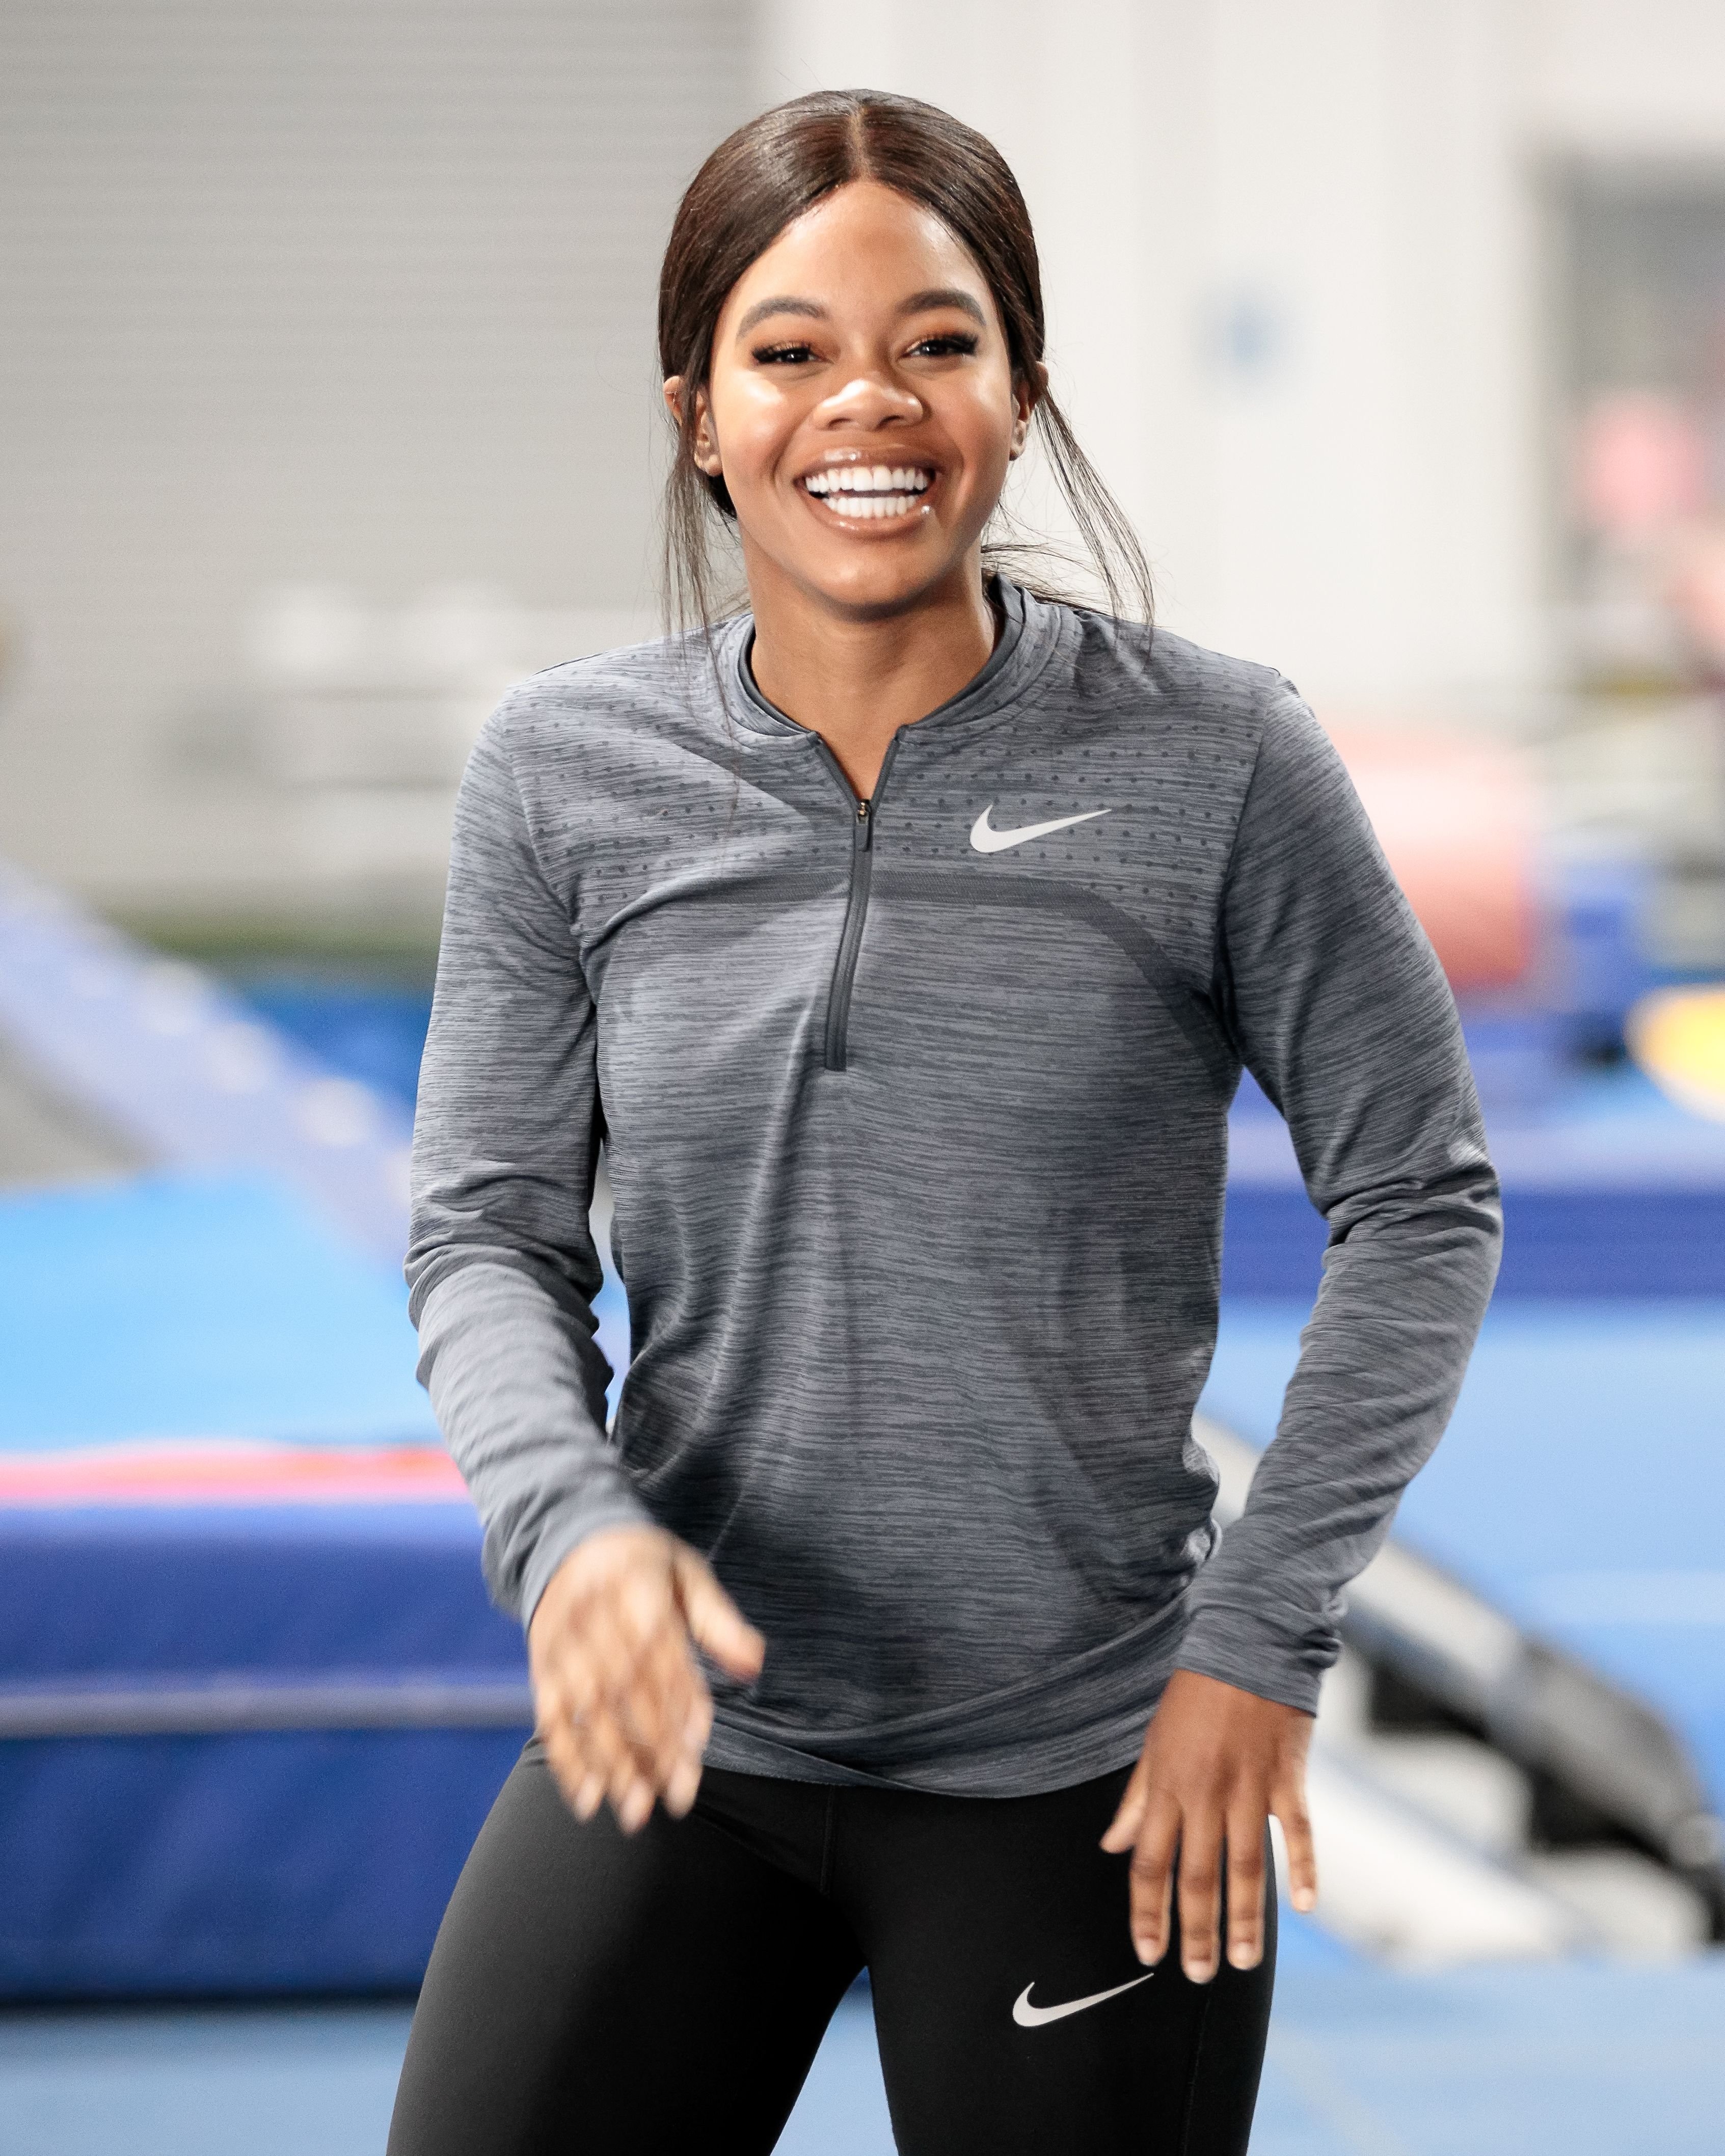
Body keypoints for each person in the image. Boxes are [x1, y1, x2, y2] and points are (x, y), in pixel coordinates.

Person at [388, 89, 1501, 2156]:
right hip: (687, 1747)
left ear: (1020, 392)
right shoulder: (562, 770)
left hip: (1083, 1767)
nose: (865, 404)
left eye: (937, 341)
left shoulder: (1218, 758)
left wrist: (1259, 1639)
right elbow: (484, 1226)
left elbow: (1419, 1197)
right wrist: (568, 1526)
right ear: (699, 414)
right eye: (789, 349)